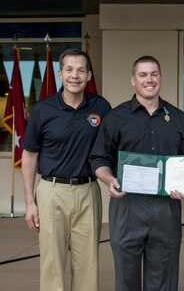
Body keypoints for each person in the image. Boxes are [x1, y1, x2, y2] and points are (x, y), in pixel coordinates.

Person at [89, 55, 184, 291]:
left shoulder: (178, 119)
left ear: (161, 79)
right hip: (127, 205)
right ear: (133, 80)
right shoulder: (115, 118)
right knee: (127, 280)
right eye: (143, 75)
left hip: (166, 207)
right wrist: (109, 179)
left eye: (154, 74)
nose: (149, 80)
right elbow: (99, 159)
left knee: (163, 281)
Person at [22, 48, 111, 291]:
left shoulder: (102, 108)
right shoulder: (43, 109)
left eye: (81, 70)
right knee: (52, 264)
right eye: (69, 70)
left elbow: (113, 148)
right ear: (60, 74)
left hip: (88, 192)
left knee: (88, 266)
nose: (75, 75)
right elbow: (29, 156)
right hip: (52, 192)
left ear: (89, 75)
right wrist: (30, 202)